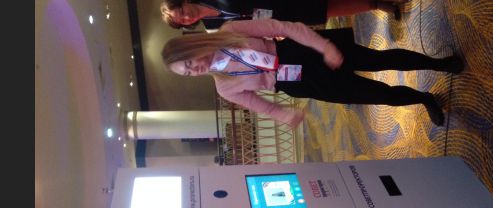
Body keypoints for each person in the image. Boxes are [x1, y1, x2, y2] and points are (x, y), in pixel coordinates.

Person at [161, 19, 463, 127]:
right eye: (188, 74)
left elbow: (282, 27)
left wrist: (324, 46)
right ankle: (424, 99)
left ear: (192, 48)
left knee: (381, 60)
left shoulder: (230, 31)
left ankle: (439, 64)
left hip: (301, 52)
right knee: (376, 95)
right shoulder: (224, 87)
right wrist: (284, 115)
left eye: (189, 64)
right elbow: (261, 105)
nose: (194, 71)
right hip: (298, 82)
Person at [160, 0, 410, 31]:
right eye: (181, 21)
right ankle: (375, 4)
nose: (185, 18)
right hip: (277, 18)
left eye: (181, 12)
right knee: (325, 10)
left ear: (184, 2)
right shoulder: (212, 27)